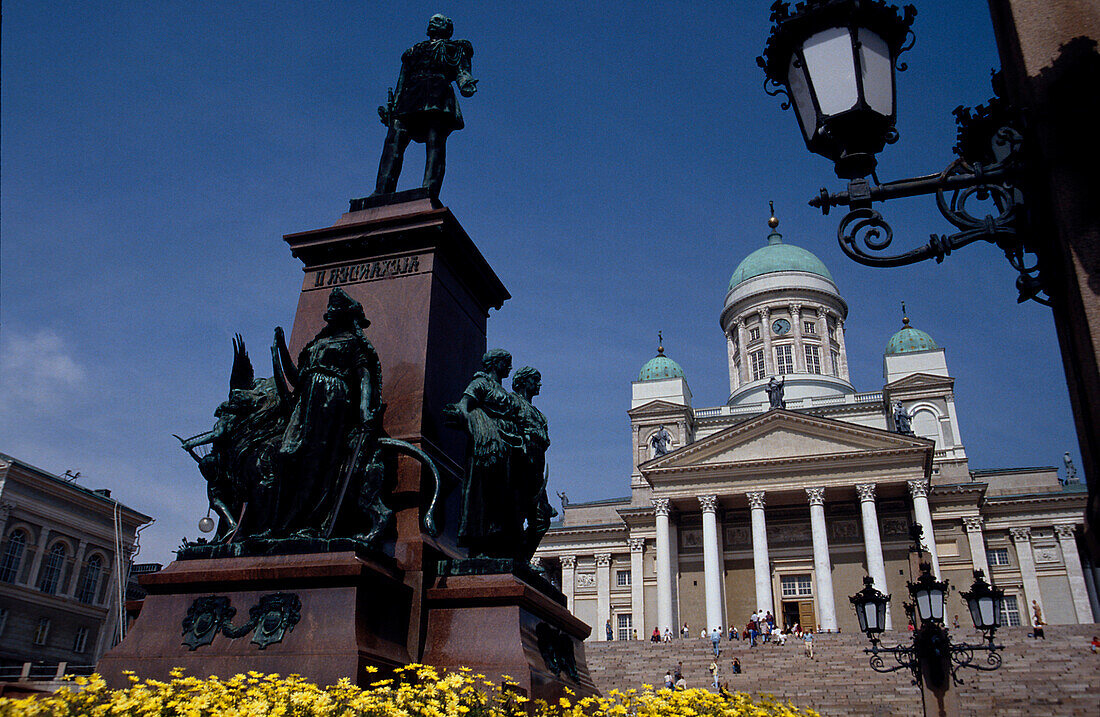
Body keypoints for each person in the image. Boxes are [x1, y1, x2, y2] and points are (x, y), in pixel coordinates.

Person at [373, 14, 478, 197]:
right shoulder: (413, 51)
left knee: (434, 141)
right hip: (410, 96)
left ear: (447, 28)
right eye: (431, 20)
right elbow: (401, 81)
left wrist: (466, 84)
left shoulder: (455, 49)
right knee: (394, 139)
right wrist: (393, 108)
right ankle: (381, 190)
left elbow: (462, 73)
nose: (431, 22)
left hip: (438, 95)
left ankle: (429, 189)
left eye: (437, 21)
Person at [446, 349, 523, 558]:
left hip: (506, 447)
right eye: (506, 363)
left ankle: (498, 544)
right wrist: (476, 425)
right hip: (487, 448)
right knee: (485, 495)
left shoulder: (503, 391)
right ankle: (480, 545)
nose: (509, 367)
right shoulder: (480, 384)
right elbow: (464, 406)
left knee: (503, 498)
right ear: (494, 363)